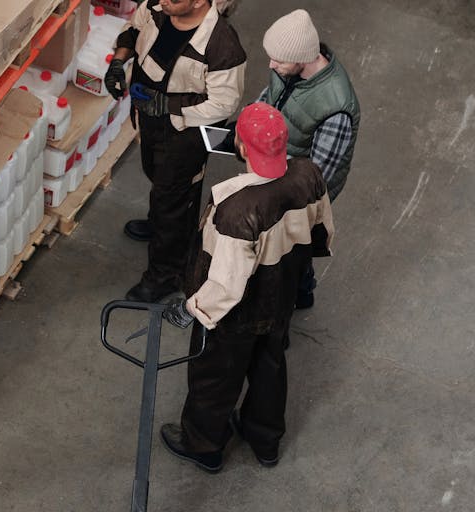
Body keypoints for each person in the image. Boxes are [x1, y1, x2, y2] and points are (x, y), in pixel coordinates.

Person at [158, 102, 334, 472]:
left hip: (236, 315)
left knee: (215, 377)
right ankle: (264, 439)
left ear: (240, 147)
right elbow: (322, 231)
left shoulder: (236, 209)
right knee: (269, 365)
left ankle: (203, 444)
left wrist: (192, 308)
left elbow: (226, 283)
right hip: (280, 297)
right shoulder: (309, 175)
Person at [104, 0, 246, 303]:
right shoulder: (157, 8)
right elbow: (132, 31)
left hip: (186, 133)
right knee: (156, 178)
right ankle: (161, 225)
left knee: (174, 198)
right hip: (151, 118)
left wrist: (168, 108)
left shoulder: (221, 45)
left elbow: (224, 104)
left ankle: (166, 275)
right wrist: (118, 62)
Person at [258, 9, 360, 308]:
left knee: (293, 247)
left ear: (303, 58)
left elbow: (316, 179)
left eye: (278, 60)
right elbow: (272, 95)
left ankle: (297, 295)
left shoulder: (336, 108)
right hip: (279, 170)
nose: (271, 64)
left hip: (301, 192)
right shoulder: (287, 66)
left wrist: (270, 169)